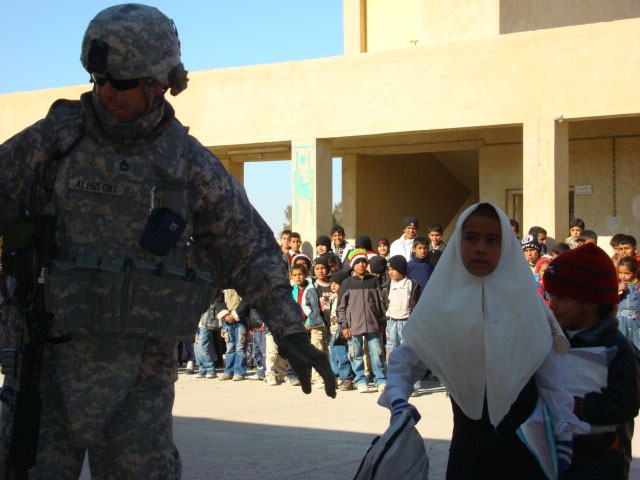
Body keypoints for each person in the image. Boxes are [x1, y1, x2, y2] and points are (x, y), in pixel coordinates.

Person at [0, 5, 334, 477]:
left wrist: (292, 330)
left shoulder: (186, 163)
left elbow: (249, 247)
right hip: (47, 365)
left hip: (140, 378)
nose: (106, 92)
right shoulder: (51, 143)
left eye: (122, 81)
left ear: (159, 82)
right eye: (98, 78)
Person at [379, 202, 589, 479]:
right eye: (471, 238)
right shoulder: (441, 303)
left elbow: (550, 375)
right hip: (469, 450)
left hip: (525, 448)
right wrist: (398, 400)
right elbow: (407, 359)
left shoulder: (526, 303)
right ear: (458, 243)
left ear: (506, 247)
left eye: (492, 240)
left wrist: (563, 434)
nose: (480, 248)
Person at [543, 243, 640, 479]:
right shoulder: (552, 339)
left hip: (602, 457)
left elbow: (626, 404)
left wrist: (575, 406)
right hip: (557, 452)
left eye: (561, 297)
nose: (552, 305)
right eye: (550, 295)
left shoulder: (617, 349)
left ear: (589, 303)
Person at [337, 249, 386, 393]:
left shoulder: (374, 281)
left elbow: (381, 303)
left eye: (364, 262)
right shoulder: (347, 283)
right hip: (354, 326)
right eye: (357, 262)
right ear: (352, 265)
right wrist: (344, 325)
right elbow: (341, 307)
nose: (361, 265)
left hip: (373, 324)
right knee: (355, 354)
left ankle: (380, 379)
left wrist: (381, 321)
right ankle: (360, 380)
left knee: (377, 353)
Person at [291, 263, 328, 388]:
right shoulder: (293, 289)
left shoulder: (310, 289)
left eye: (300, 274)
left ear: (306, 275)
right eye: (295, 275)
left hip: (312, 324)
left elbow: (314, 308)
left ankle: (319, 378)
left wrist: (308, 323)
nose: (298, 277)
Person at [327, 270, 356, 391]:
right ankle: (335, 376)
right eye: (331, 283)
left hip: (341, 331)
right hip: (333, 331)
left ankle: (347, 378)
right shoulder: (332, 297)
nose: (333, 286)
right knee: (333, 355)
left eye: (336, 283)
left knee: (342, 355)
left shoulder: (345, 297)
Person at [616, 256, 640, 349]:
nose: (623, 276)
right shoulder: (617, 284)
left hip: (635, 321)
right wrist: (617, 290)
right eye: (620, 273)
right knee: (622, 347)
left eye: (627, 273)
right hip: (620, 321)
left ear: (635, 272)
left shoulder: (637, 286)